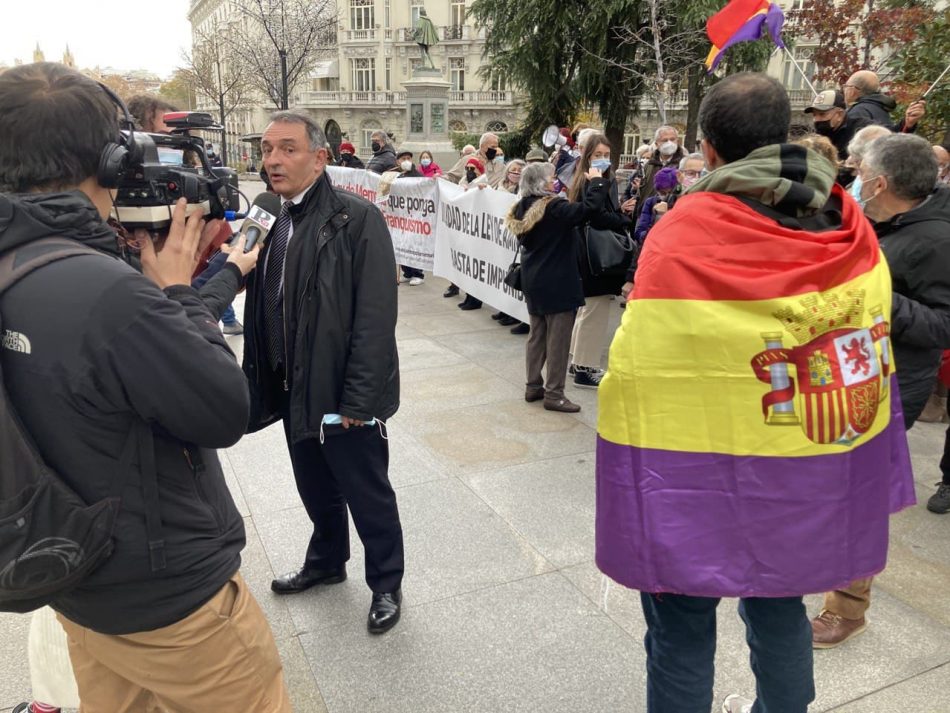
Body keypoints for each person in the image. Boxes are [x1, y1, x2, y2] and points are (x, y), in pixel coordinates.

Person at [595, 72, 914, 713]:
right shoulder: (846, 222)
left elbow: (640, 357)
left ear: (708, 149)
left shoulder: (686, 230)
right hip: (800, 461)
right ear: (783, 135)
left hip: (691, 468)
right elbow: (865, 330)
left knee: (682, 626)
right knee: (780, 612)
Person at [0, 62, 290, 711]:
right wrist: (179, 289)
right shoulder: (108, 293)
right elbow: (222, 406)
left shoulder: (20, 261)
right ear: (111, 159)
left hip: (79, 586)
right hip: (172, 602)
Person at [241, 111, 405, 635]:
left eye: (287, 149)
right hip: (291, 386)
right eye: (267, 150)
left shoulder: (356, 219)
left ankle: (386, 582)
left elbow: (376, 319)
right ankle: (327, 561)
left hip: (342, 392)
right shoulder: (269, 216)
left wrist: (359, 403)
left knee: (366, 491)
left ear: (320, 157)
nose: (273, 160)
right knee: (314, 487)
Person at [813, 135, 950, 645]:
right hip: (851, 371)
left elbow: (942, 326)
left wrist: (878, 298)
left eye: (858, 168)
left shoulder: (937, 239)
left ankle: (847, 608)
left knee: (858, 498)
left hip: (893, 387)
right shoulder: (883, 220)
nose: (852, 174)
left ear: (880, 182)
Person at [504, 161, 610, 413]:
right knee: (558, 341)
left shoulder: (521, 207)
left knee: (537, 335)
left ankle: (533, 386)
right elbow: (589, 209)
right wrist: (596, 181)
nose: (556, 180)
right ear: (542, 183)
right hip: (559, 280)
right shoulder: (554, 208)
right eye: (552, 177)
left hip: (534, 279)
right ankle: (554, 394)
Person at [566, 134, 633, 388]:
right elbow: (596, 215)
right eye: (598, 155)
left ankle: (578, 362)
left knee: (588, 310)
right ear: (587, 157)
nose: (603, 160)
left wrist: (619, 210)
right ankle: (585, 367)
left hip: (589, 251)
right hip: (595, 253)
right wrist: (623, 220)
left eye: (606, 155)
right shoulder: (592, 181)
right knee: (594, 311)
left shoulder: (598, 180)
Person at [843, 70, 925, 134]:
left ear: (853, 90)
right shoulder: (880, 108)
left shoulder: (857, 112)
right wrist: (906, 124)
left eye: (845, 86)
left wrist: (906, 124)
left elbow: (880, 137)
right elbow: (890, 137)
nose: (844, 90)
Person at [805, 89, 875, 161]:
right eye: (814, 115)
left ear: (839, 114)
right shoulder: (817, 136)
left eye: (822, 114)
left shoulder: (862, 129)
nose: (816, 119)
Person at [635, 126, 685, 219]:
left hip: (670, 217)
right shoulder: (649, 164)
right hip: (646, 216)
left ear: (677, 141)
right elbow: (643, 190)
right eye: (665, 140)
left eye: (672, 139)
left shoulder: (683, 165)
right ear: (657, 144)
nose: (669, 143)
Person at [395, 147, 425, 285]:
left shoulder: (417, 175)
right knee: (402, 244)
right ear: (398, 161)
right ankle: (407, 272)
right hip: (400, 216)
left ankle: (417, 274)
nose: (406, 161)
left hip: (414, 215)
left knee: (413, 245)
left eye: (408, 158)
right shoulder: (396, 175)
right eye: (403, 159)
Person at [633, 165, 679, 243]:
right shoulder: (651, 202)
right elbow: (639, 233)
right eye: (662, 192)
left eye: (669, 193)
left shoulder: (680, 203)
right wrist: (657, 218)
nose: (665, 196)